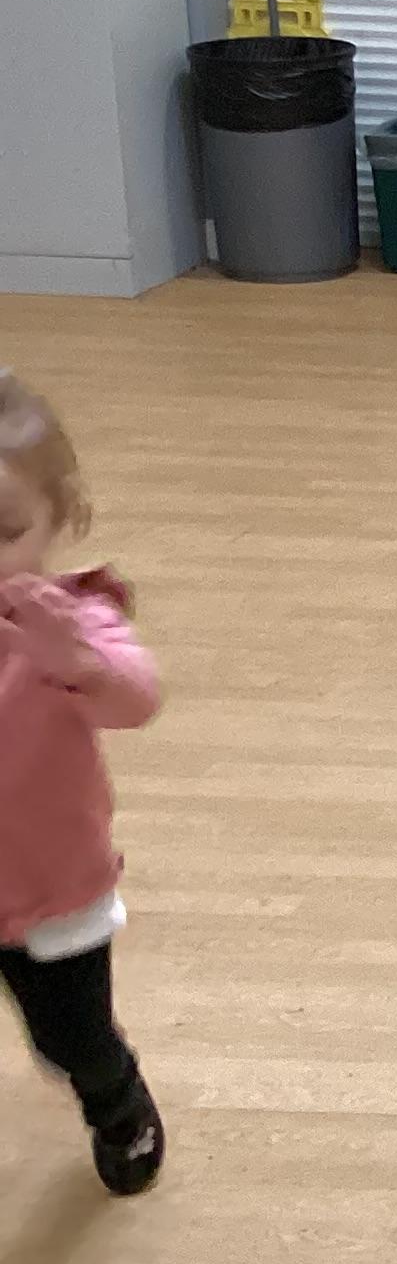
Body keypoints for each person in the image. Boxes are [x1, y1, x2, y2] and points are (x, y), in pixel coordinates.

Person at [0, 373, 165, 1196]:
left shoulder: (69, 623)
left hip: (53, 890)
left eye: (3, 530)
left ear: (60, 521)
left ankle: (116, 1097)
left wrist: (77, 663)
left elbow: (137, 699)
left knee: (70, 1041)